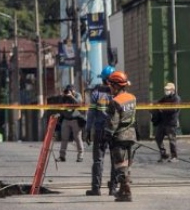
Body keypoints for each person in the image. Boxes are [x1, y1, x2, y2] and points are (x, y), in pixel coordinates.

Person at [103, 70, 137, 202]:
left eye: (111, 85)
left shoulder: (115, 102)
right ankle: (123, 191)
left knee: (119, 165)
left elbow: (113, 122)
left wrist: (106, 136)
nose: (109, 88)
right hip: (131, 135)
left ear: (116, 86)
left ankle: (126, 191)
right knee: (127, 163)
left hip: (119, 137)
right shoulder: (132, 98)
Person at [83, 66, 117, 196]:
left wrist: (87, 130)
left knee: (98, 160)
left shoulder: (96, 93)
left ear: (103, 79)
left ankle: (96, 188)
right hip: (114, 131)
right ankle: (113, 188)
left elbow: (91, 113)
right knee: (115, 159)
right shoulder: (117, 93)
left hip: (100, 131)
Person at [153, 82, 181, 162]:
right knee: (158, 138)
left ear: (173, 90)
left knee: (172, 140)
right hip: (163, 122)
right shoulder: (165, 98)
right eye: (166, 90)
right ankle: (163, 154)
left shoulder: (176, 99)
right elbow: (158, 102)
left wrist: (162, 109)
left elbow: (174, 109)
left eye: (168, 90)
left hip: (171, 122)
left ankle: (174, 156)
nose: (166, 91)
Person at [57, 84, 84, 162]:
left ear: (73, 91)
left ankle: (80, 156)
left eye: (70, 91)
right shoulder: (64, 96)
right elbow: (59, 106)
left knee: (78, 138)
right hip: (66, 119)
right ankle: (62, 156)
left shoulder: (77, 95)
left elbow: (79, 104)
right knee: (64, 138)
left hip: (75, 119)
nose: (68, 92)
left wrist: (71, 97)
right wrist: (62, 97)